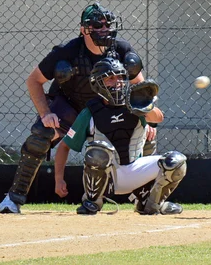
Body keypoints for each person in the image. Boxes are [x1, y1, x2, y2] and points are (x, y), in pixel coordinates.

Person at [0, 3, 157, 214]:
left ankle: (143, 198)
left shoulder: (122, 49)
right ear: (84, 29)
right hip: (71, 107)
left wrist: (149, 122)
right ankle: (13, 198)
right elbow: (33, 80)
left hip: (107, 109)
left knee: (148, 135)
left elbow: (140, 89)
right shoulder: (68, 51)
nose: (104, 30)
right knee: (41, 134)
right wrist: (47, 114)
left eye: (107, 25)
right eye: (97, 25)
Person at [53, 57, 186, 215]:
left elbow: (158, 118)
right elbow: (64, 146)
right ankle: (93, 201)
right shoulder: (90, 112)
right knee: (98, 150)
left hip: (135, 170)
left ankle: (150, 203)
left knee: (176, 161)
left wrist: (143, 106)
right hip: (107, 177)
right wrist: (58, 179)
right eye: (111, 78)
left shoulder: (134, 104)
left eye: (121, 78)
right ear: (98, 84)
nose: (118, 82)